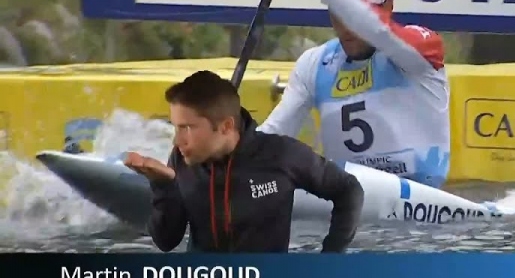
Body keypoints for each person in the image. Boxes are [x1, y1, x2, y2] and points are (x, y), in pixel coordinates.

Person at [257, 0, 451, 189]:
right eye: (337, 14)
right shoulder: (314, 64)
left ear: (388, 5)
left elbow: (378, 29)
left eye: (354, 15)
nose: (347, 27)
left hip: (420, 203)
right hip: (346, 199)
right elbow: (273, 135)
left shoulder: (422, 50)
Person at [123, 70, 364, 253]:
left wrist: (331, 257)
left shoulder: (280, 154)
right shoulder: (183, 158)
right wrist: (163, 186)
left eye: (187, 128)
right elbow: (166, 242)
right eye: (175, 127)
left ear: (226, 126)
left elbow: (349, 190)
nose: (178, 140)